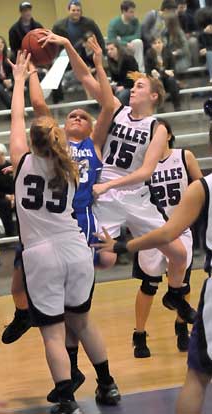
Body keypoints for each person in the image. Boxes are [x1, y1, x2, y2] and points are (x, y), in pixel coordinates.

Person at [39, 32, 197, 331]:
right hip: (107, 200)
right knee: (98, 259)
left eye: (139, 86)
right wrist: (70, 46)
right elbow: (86, 77)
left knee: (179, 254)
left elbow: (147, 171)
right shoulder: (117, 110)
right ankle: (65, 302)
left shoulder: (157, 127)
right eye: (133, 85)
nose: (132, 90)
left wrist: (109, 185)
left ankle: (175, 295)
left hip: (134, 196)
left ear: (153, 96)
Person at [8, 47, 120, 413]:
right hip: (75, 248)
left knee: (53, 334)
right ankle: (108, 384)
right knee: (83, 323)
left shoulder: (22, 162)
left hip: (42, 254)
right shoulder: (72, 165)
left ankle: (67, 399)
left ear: (32, 143)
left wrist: (21, 80)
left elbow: (19, 118)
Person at [92, 172, 212, 414]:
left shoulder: (201, 183)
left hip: (162, 228)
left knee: (198, 376)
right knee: (149, 286)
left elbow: (168, 233)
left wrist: (124, 245)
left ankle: (176, 315)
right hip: (152, 221)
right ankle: (141, 333)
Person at [131, 119, 202, 358]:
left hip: (179, 228)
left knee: (182, 284)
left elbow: (202, 187)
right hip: (152, 231)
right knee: (149, 286)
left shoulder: (184, 156)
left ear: (169, 135)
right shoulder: (141, 164)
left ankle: (181, 327)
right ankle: (139, 334)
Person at [52, 0, 106, 102]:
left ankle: (101, 99)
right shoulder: (59, 26)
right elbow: (53, 43)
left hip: (85, 56)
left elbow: (99, 39)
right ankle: (58, 99)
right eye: (73, 10)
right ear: (68, 11)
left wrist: (103, 54)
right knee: (58, 61)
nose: (76, 12)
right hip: (66, 56)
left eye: (78, 10)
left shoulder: (89, 23)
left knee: (94, 71)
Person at [145, 37, 181, 111]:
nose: (157, 45)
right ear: (151, 45)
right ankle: (160, 107)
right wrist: (164, 72)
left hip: (168, 80)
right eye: (155, 43)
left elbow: (173, 70)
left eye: (159, 42)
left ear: (162, 44)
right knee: (157, 80)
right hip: (157, 80)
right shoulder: (149, 54)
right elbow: (148, 72)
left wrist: (163, 72)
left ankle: (177, 106)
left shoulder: (168, 52)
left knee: (171, 80)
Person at [107, 1, 145, 72]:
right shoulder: (114, 23)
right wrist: (125, 43)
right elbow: (111, 39)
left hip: (132, 45)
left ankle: (140, 71)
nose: (133, 14)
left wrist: (122, 39)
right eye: (131, 12)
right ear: (124, 11)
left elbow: (138, 35)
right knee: (114, 48)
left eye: (133, 11)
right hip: (120, 46)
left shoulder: (135, 21)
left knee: (138, 42)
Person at [106, 41, 139, 106]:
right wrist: (113, 84)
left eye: (112, 49)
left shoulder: (128, 59)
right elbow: (115, 79)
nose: (109, 52)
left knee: (122, 95)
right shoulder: (111, 62)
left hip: (131, 85)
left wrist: (124, 86)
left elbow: (134, 77)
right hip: (120, 86)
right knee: (106, 93)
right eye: (108, 50)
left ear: (118, 49)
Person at [176, 0, 200, 67]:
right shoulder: (172, 18)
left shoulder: (189, 17)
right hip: (175, 40)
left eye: (184, 7)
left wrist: (191, 34)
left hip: (188, 38)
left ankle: (196, 66)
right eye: (181, 8)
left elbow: (197, 31)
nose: (183, 10)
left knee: (193, 41)